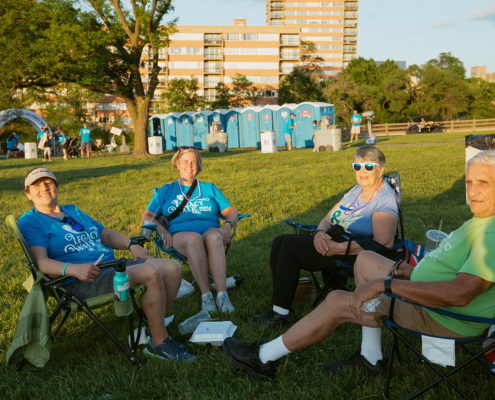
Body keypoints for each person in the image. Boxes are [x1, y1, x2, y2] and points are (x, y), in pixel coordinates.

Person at [223, 150, 495, 381]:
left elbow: (460, 294)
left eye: (483, 182)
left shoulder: (492, 232)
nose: (472, 191)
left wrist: (386, 285)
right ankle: (371, 357)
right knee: (365, 260)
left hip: (443, 316)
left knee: (337, 299)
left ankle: (261, 357)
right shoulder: (480, 221)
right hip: (431, 298)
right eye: (469, 182)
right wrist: (411, 272)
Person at [18, 168, 195, 363]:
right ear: (28, 193)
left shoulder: (72, 211)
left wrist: (131, 245)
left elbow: (106, 234)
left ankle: (154, 326)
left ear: (56, 186)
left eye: (48, 182)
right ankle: (160, 343)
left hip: (110, 266)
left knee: (173, 268)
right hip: (82, 279)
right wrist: (74, 269)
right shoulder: (31, 221)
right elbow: (41, 263)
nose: (43, 188)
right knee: (151, 272)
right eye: (36, 185)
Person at [252, 146, 398, 327]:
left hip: (355, 254)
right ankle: (281, 303)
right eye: (357, 166)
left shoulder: (385, 198)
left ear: (381, 169)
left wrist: (339, 249)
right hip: (335, 242)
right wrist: (319, 233)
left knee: (289, 246)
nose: (362, 171)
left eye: (369, 166)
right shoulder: (356, 191)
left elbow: (383, 242)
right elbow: (327, 219)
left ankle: (281, 313)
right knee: (279, 241)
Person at [141, 146, 239, 314]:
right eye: (185, 162)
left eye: (194, 162)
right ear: (177, 165)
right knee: (194, 239)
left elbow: (231, 211)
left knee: (215, 238)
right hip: (179, 236)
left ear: (199, 166)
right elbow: (147, 215)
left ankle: (222, 295)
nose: (190, 165)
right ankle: (206, 296)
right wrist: (163, 231)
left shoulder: (209, 188)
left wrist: (227, 224)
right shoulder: (166, 191)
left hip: (210, 230)